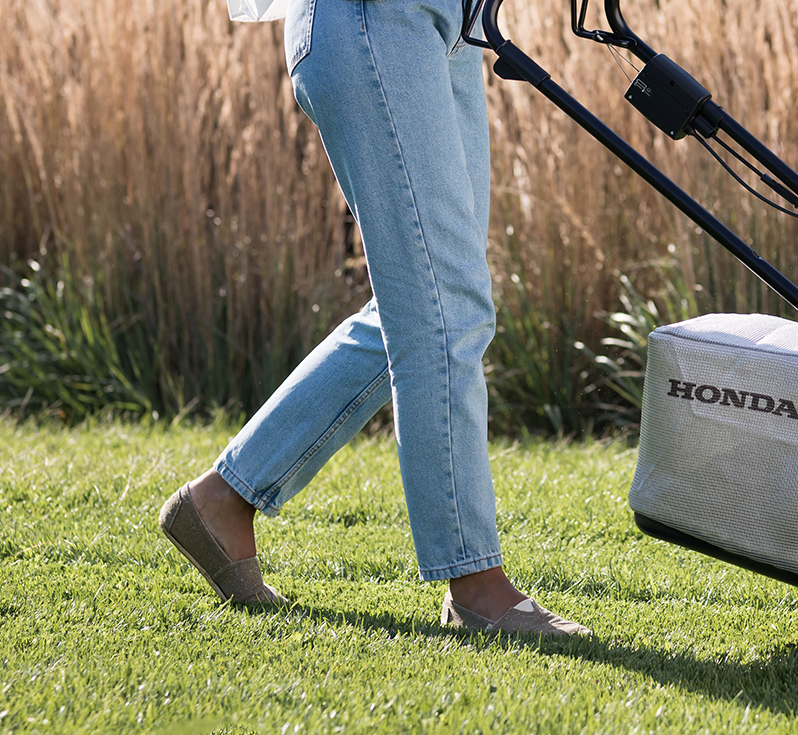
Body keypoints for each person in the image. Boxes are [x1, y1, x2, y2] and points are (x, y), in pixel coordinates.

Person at [160, 0, 585, 638]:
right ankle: (475, 586)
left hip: (450, 26)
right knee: (445, 309)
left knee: (425, 305)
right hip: (374, 18)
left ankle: (223, 498)